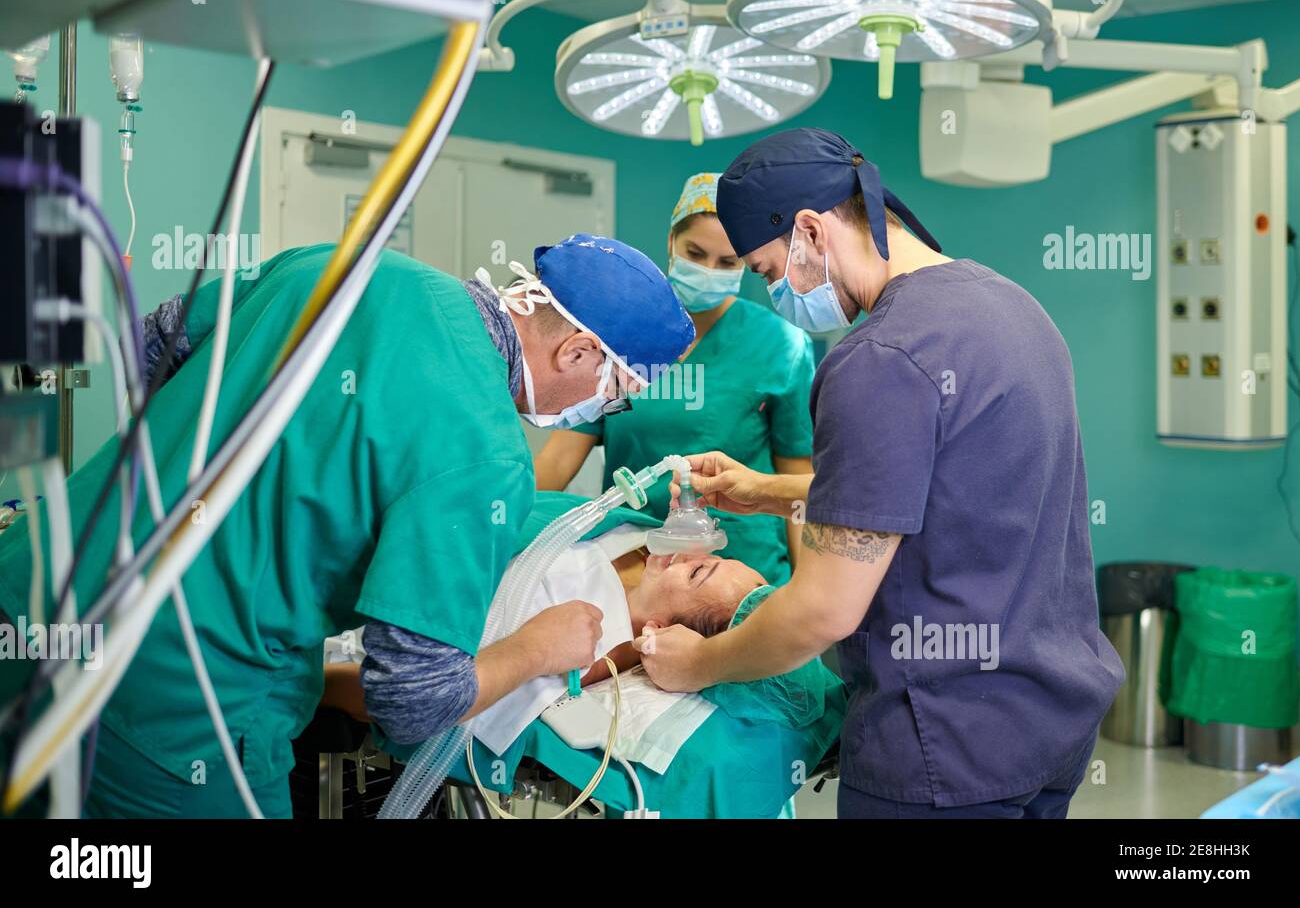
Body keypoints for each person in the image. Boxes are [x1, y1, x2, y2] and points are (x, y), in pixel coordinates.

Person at [0, 234, 694, 818]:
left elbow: (149, 349)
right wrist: (536, 649)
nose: (600, 411)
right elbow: (411, 701)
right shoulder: (485, 451)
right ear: (576, 352)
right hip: (168, 700)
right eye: (617, 393)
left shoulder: (346, 265)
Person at [633, 127, 1125, 819]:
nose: (776, 294)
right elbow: (943, 489)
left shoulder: (879, 359)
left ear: (810, 230)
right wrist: (767, 491)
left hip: (942, 750)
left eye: (771, 273)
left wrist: (697, 663)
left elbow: (822, 610)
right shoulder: (1016, 309)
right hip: (1050, 727)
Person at [533, 173, 815, 585]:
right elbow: (558, 461)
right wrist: (494, 525)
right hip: (631, 567)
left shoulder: (778, 346)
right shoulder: (619, 338)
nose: (708, 270)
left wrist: (805, 593)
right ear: (671, 242)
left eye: (727, 262)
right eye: (696, 253)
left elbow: (794, 486)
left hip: (742, 571)